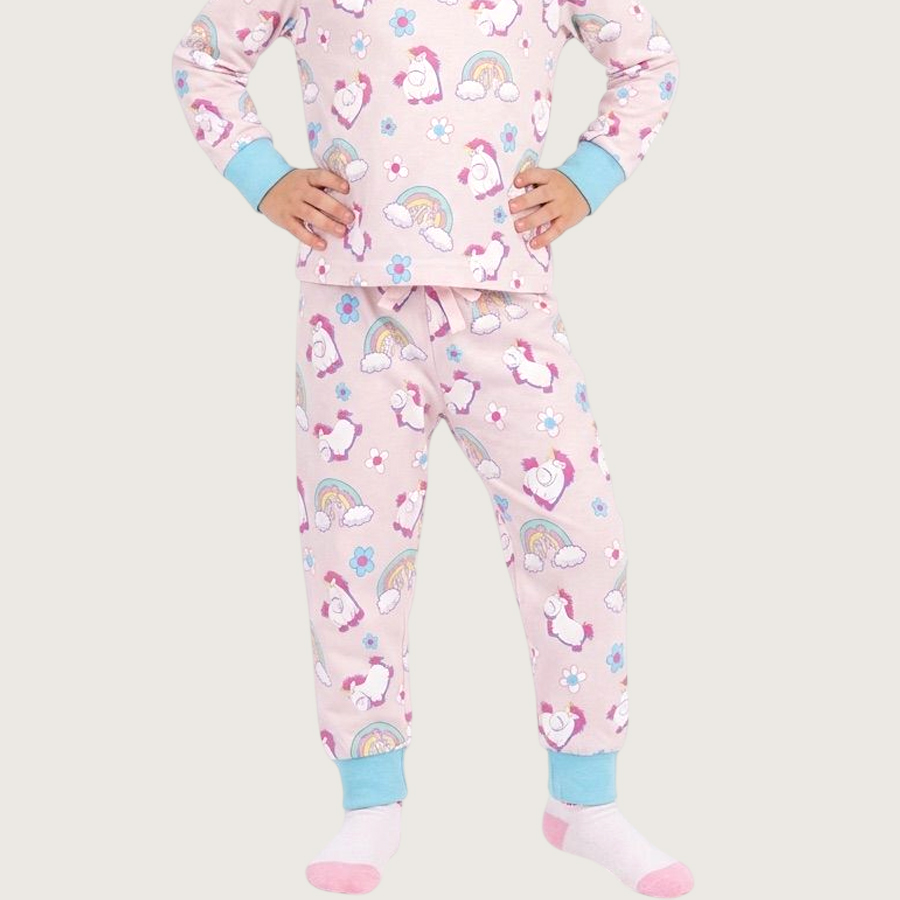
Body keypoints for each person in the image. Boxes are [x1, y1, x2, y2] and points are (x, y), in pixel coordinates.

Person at [171, 2, 690, 896]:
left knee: (581, 538)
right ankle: (371, 798)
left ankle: (584, 799)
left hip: (506, 298)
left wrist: (589, 175)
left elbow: (647, 63)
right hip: (352, 300)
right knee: (355, 553)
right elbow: (205, 59)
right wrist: (265, 176)